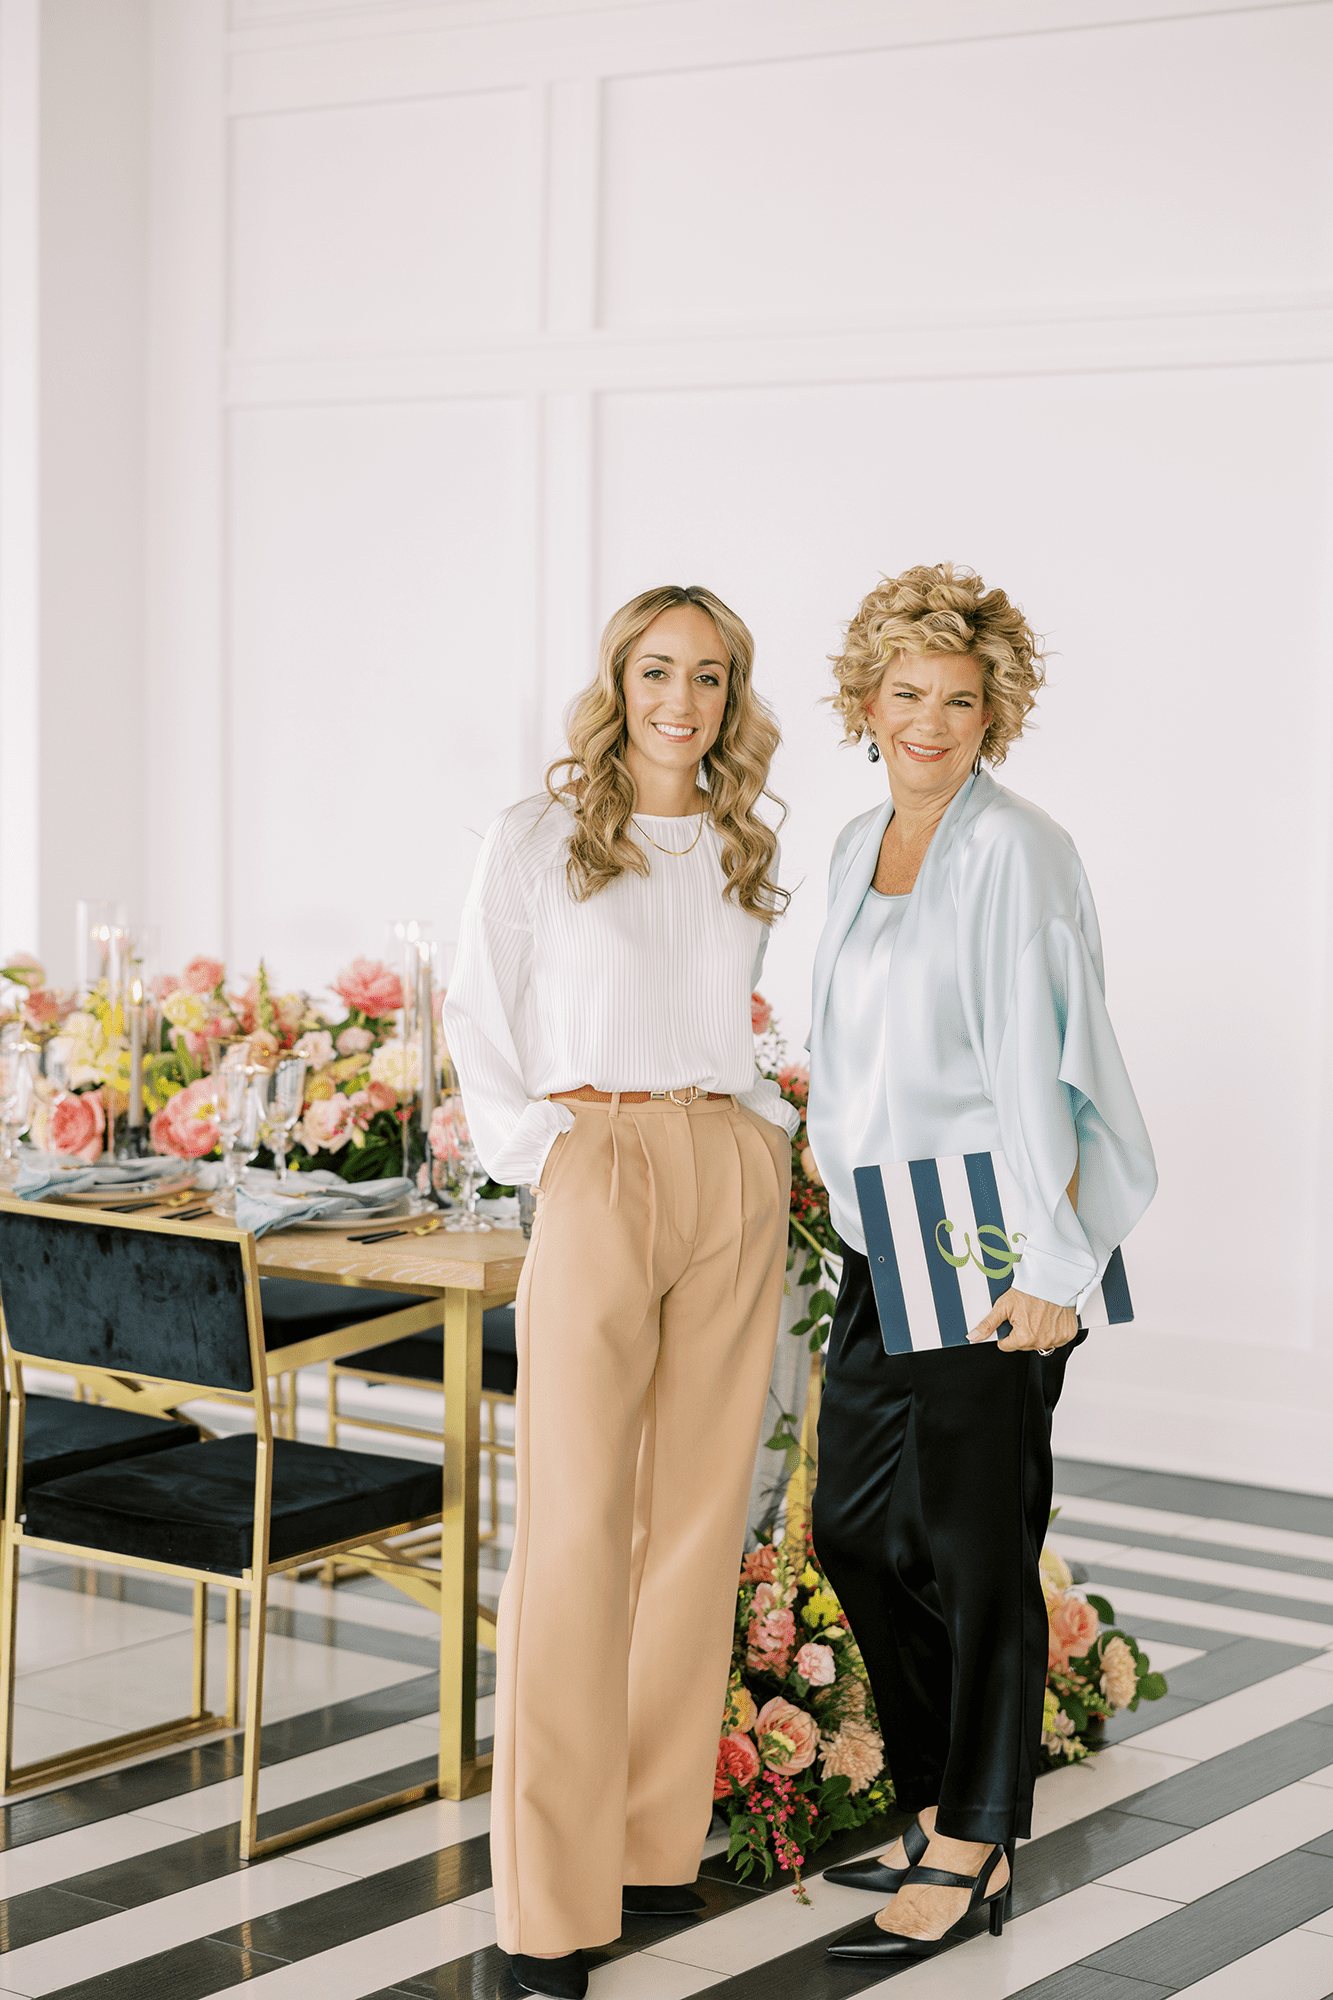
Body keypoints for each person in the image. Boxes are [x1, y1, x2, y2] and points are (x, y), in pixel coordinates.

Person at [442, 584, 796, 2000]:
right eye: (658, 671)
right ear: (619, 680)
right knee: (576, 1528)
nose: (681, 701)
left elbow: (746, 1020)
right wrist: (550, 1155)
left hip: (727, 1166)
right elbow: (476, 1010)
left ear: (731, 695)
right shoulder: (538, 835)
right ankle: (547, 1904)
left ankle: (652, 1842)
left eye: (708, 676)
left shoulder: (744, 838)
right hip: (596, 1156)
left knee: (698, 1519)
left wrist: (766, 1134)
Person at [805, 563, 1156, 1963]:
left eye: (960, 700)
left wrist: (1055, 1264)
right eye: (907, 694)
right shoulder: (859, 842)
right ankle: (940, 1796)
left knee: (975, 1545)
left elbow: (1051, 1061)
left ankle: (975, 1836)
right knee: (852, 1529)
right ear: (866, 701)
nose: (930, 723)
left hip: (996, 1224)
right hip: (884, 1222)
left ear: (995, 712)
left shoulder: (1021, 850)